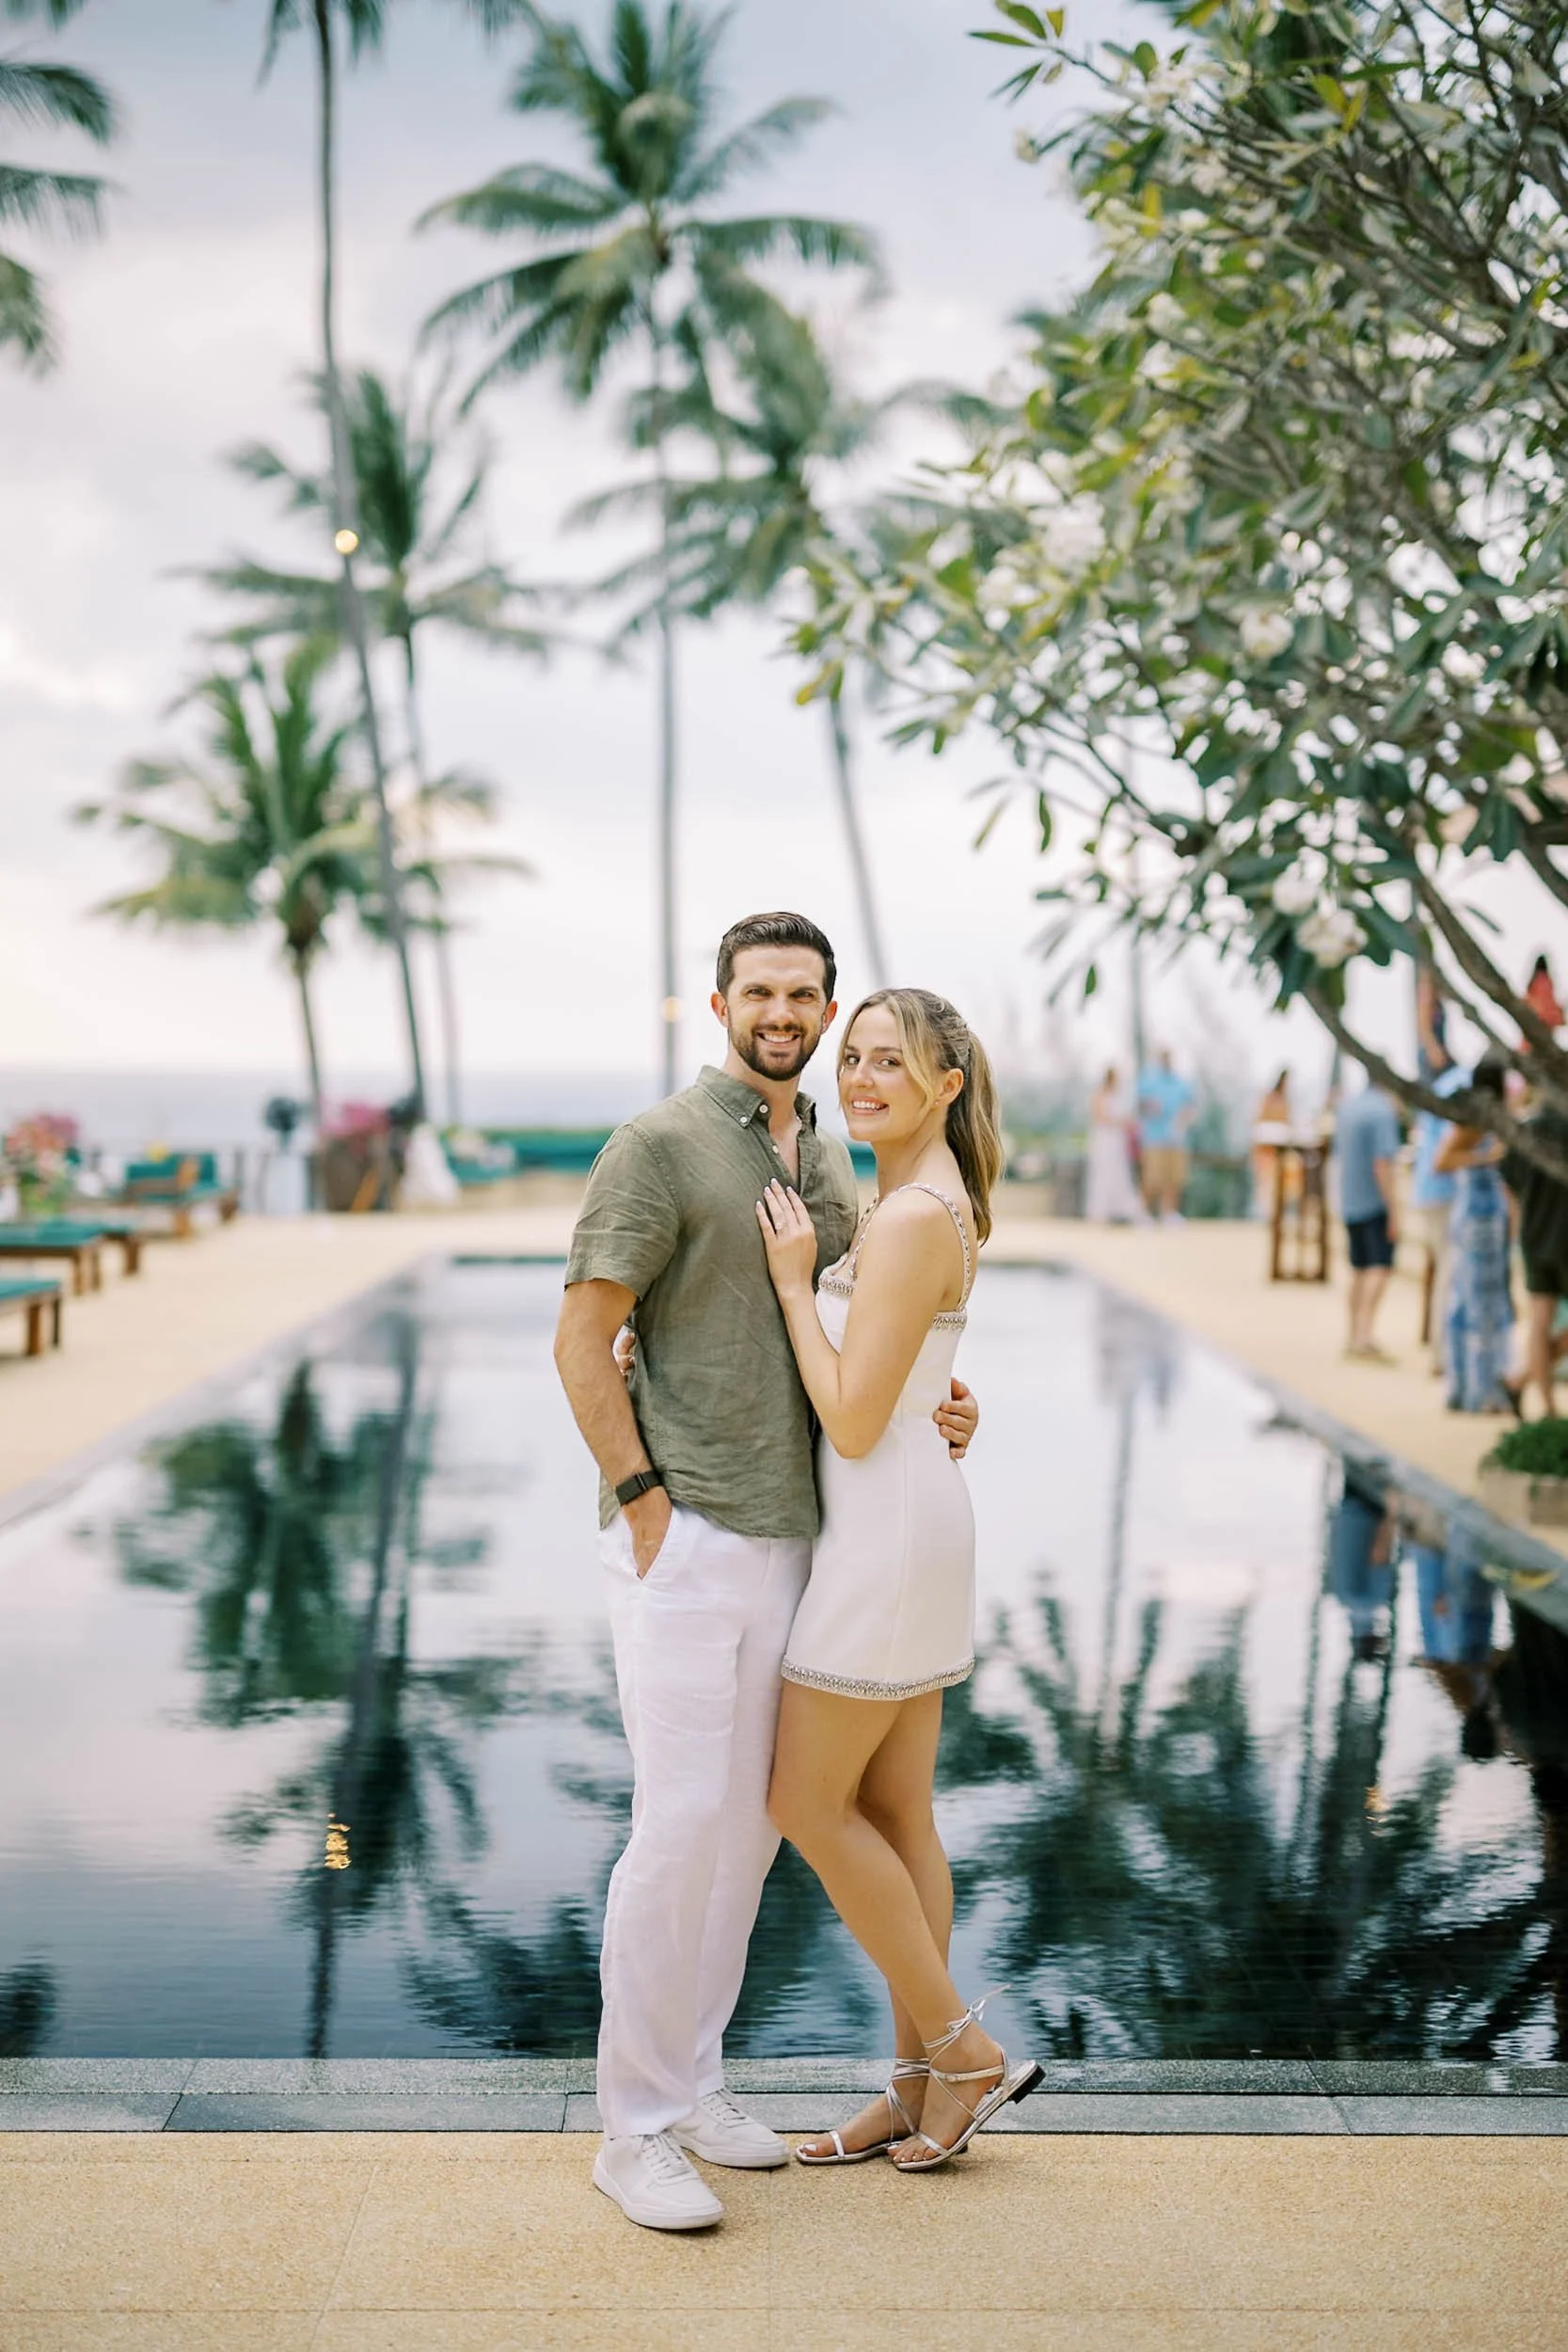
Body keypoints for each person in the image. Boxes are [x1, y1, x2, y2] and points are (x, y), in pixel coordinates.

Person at [553, 913, 979, 2233]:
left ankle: (693, 2090)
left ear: (824, 1005)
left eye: (805, 994)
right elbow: (583, 1340)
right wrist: (640, 1504)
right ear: (719, 1001)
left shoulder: (830, 1166)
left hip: (809, 1543)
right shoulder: (657, 1147)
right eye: (761, 992)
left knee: (745, 1836)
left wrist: (942, 1405)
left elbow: (870, 1341)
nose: (783, 1013)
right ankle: (629, 2130)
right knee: (678, 1832)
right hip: (689, 1545)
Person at [756, 989, 1041, 2171]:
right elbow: (912, 1384)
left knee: (804, 1803)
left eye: (892, 1062)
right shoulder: (928, 1202)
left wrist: (787, 1283)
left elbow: (856, 1418)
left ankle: (961, 2046)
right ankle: (921, 2088)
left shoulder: (912, 1217)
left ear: (947, 1085)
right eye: (855, 1056)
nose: (863, 1077)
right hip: (914, 1520)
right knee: (896, 1814)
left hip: (883, 1533)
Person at [1433, 1054, 1514, 1413]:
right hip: (1478, 1219)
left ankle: (1465, 1388)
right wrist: (1485, 1159)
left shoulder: (1487, 1120)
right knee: (1480, 1307)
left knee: (1470, 1303)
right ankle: (1480, 1392)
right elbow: (1441, 1162)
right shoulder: (1478, 1124)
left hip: (1481, 1217)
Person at [1500, 1088, 1568, 1420]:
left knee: (1539, 1322)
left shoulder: (1527, 1127)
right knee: (1540, 1323)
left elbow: (1509, 1182)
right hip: (1563, 1235)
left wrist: (1516, 1228)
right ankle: (1538, 1396)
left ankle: (1533, 1391)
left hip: (1534, 1235)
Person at [1409, 1061, 1471, 1376]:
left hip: (1429, 1191)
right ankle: (1442, 1352)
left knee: (1443, 1270)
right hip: (1443, 1192)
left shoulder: (1443, 1086)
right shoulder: (1462, 1088)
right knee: (1449, 1270)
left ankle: (1441, 1348)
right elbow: (1443, 1156)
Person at [1337, 1076, 1402, 1361]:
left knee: (1360, 1269)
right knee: (1379, 1266)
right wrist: (1394, 1209)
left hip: (1350, 1198)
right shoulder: (1382, 1113)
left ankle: (1354, 1334)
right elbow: (1382, 1163)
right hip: (1374, 1201)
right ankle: (1365, 1335)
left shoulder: (1347, 1108)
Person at [1136, 1047, 1196, 1222]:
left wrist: (1183, 1119)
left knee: (1174, 1178)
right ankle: (1143, 1213)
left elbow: (1191, 1106)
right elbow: (1138, 1105)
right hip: (1154, 1138)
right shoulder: (1148, 1080)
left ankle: (1169, 1213)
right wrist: (1150, 1106)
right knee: (1152, 1178)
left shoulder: (1180, 1082)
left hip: (1176, 1138)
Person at [1085, 1063, 1140, 1223]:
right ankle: (1100, 1212)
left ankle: (1122, 1210)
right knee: (1103, 1174)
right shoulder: (1099, 1095)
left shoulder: (1120, 1097)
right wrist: (1120, 1122)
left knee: (1120, 1173)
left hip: (1117, 1141)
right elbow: (1100, 1117)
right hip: (1104, 1140)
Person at [1250, 1067, 1293, 1222]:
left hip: (1280, 1150)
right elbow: (1259, 1121)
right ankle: (1264, 1213)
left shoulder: (1286, 1101)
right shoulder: (1269, 1099)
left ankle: (1279, 1212)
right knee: (1265, 1183)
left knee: (1284, 1182)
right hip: (1265, 1149)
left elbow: (1288, 1122)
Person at [1526, 954, 1564, 1036]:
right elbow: (1546, 1003)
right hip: (1543, 1020)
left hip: (1533, 1020)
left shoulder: (1532, 982)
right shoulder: (1545, 981)